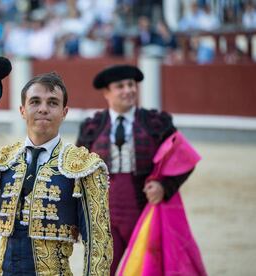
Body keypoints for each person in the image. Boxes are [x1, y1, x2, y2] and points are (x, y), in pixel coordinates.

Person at [0, 71, 113, 275]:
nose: (43, 109)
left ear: (64, 112)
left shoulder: (84, 167)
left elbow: (98, 243)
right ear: (22, 110)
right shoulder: (5, 160)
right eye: (35, 102)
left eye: (53, 103)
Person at [76, 65, 195, 276]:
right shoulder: (92, 127)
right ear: (106, 92)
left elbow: (184, 157)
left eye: (131, 85)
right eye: (120, 86)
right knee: (101, 270)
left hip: (144, 211)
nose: (128, 90)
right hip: (104, 215)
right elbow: (78, 169)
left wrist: (164, 186)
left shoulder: (156, 122)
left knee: (148, 269)